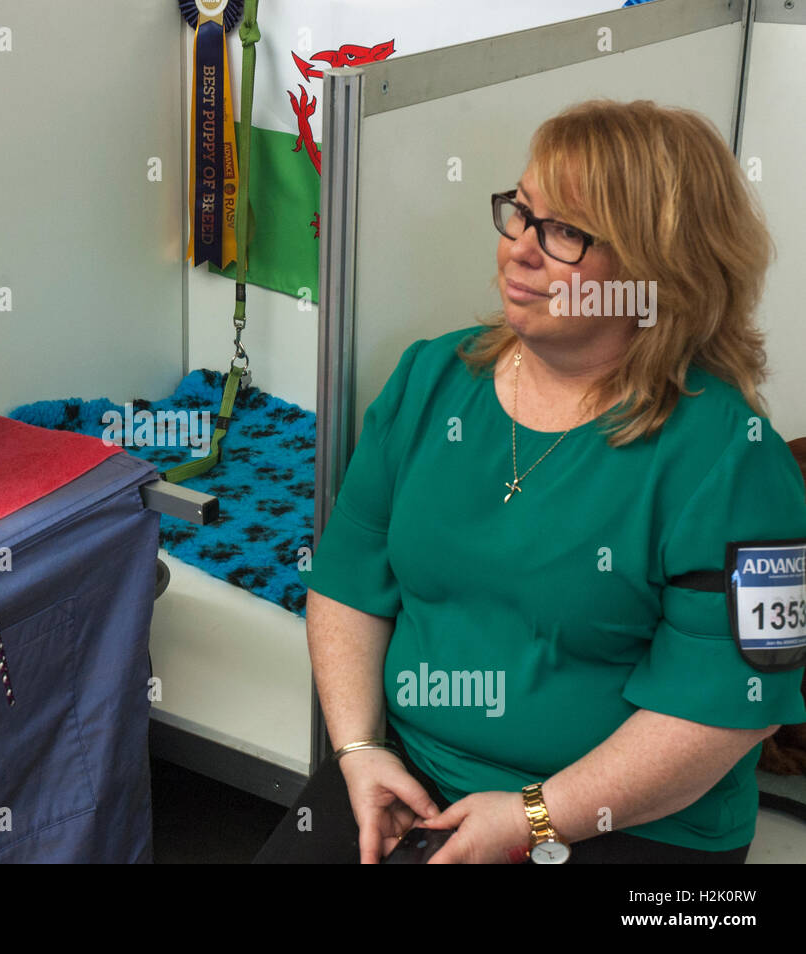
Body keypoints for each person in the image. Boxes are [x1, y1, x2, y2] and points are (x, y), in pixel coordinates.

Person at [296, 99, 806, 864]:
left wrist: (535, 818)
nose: (521, 252)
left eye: (565, 231)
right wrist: (360, 749)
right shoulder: (431, 378)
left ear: (657, 267)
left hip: (631, 823)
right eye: (521, 213)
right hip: (408, 774)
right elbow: (346, 585)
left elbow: (732, 711)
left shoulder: (734, 461)